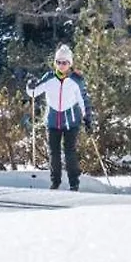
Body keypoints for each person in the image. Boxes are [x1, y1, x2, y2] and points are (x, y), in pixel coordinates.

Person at [26, 44, 90, 191]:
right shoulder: (49, 78)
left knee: (70, 153)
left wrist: (87, 118)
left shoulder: (76, 80)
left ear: (70, 64)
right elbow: (34, 93)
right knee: (54, 154)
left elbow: (83, 100)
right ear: (55, 63)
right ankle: (55, 182)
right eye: (59, 62)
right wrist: (30, 85)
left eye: (65, 62)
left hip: (71, 122)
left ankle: (74, 182)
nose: (61, 65)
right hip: (53, 121)